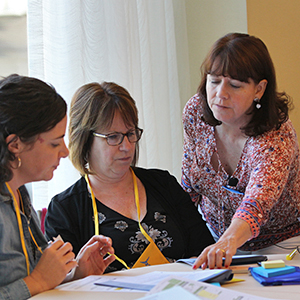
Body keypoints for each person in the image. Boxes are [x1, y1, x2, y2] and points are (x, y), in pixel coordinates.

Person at [45, 81, 214, 272]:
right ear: (85, 140)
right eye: (113, 137)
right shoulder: (65, 209)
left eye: (130, 134)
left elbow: (205, 250)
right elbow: (63, 282)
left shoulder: (163, 184)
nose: (126, 147)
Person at [181, 32, 300, 270]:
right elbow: (190, 184)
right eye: (214, 81)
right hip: (215, 239)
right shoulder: (196, 112)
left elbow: (255, 206)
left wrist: (227, 243)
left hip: (279, 247)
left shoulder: (276, 135)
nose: (220, 94)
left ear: (259, 89)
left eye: (235, 85)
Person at [0, 74, 115, 300]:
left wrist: (75, 274)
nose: (64, 152)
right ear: (15, 145)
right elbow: (35, 281)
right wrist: (38, 281)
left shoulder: (19, 194)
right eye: (55, 143)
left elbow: (36, 280)